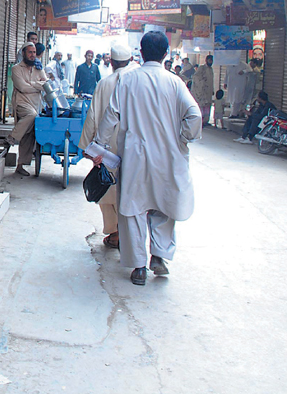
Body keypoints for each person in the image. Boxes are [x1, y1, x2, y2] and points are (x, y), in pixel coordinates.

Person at [93, 31, 202, 286]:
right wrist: (183, 137)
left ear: (140, 53)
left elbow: (111, 115)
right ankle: (159, 257)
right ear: (166, 54)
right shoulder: (175, 82)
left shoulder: (128, 80)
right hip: (168, 157)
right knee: (163, 208)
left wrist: (98, 145)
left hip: (135, 157)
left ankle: (139, 267)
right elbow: (194, 115)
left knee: (132, 209)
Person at [79, 42, 138, 250]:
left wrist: (87, 147)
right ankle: (129, 234)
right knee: (132, 188)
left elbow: (93, 115)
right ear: (130, 61)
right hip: (135, 146)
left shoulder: (104, 83)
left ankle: (114, 234)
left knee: (107, 188)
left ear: (111, 62)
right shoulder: (138, 81)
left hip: (107, 148)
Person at [7, 42, 48, 175]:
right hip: (22, 102)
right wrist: (37, 85)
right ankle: (12, 137)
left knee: (29, 134)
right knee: (31, 115)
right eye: (30, 52)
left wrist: (32, 84)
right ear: (24, 53)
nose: (32, 55)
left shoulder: (38, 67)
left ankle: (20, 165)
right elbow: (22, 87)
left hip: (36, 103)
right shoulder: (16, 69)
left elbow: (46, 84)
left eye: (34, 52)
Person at [190, 55, 214, 125]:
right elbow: (196, 77)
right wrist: (202, 82)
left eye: (212, 60)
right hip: (202, 91)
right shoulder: (202, 68)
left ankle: (206, 120)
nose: (211, 62)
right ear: (206, 60)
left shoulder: (211, 69)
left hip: (208, 91)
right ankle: (201, 120)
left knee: (208, 106)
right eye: (210, 60)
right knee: (202, 105)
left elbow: (211, 80)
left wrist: (212, 89)